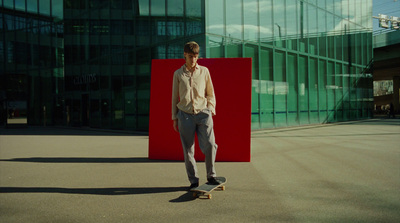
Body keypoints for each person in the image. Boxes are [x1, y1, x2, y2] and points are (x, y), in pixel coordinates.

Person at [171, 41, 221, 189]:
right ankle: (194, 181)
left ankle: (211, 176)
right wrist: (174, 118)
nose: (193, 59)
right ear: (185, 55)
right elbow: (174, 97)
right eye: (190, 56)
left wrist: (211, 108)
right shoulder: (178, 74)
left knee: (211, 144)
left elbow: (210, 92)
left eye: (196, 56)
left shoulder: (204, 71)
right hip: (185, 115)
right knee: (188, 150)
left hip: (203, 113)